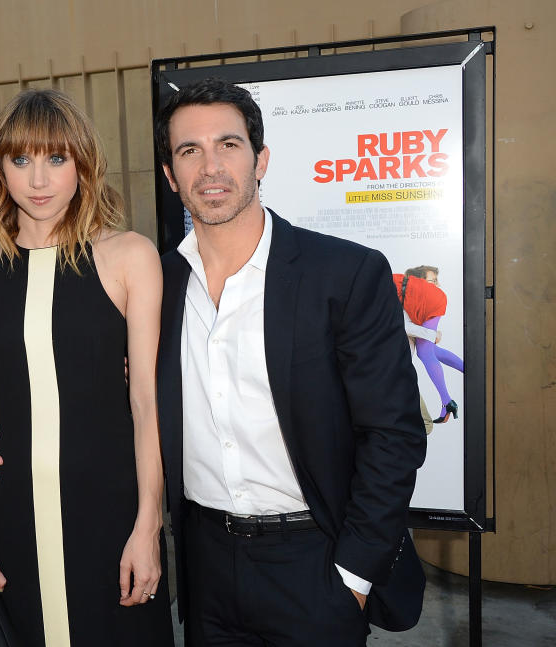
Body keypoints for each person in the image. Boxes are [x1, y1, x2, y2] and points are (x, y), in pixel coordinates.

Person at [153, 78, 427, 645]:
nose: (211, 167)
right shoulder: (156, 285)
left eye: (228, 145)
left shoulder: (344, 274)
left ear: (261, 160)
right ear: (169, 174)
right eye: (189, 151)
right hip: (204, 570)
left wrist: (353, 575)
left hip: (316, 564)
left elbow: (393, 433)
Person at [0, 89, 173, 647]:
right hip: (11, 513)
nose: (38, 180)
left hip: (112, 510)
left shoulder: (130, 257)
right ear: (0, 167)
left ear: (83, 164)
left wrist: (149, 524)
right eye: (21, 160)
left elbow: (147, 403)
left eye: (56, 159)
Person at [393, 265, 464, 423]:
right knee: (430, 350)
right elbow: (406, 326)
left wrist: (432, 335)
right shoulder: (409, 299)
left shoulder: (413, 296)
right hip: (432, 302)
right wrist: (432, 335)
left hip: (431, 302)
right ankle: (470, 370)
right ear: (418, 283)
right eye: (433, 281)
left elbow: (403, 325)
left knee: (425, 353)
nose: (437, 285)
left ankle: (447, 402)